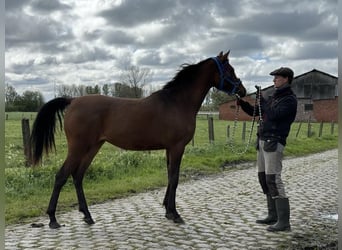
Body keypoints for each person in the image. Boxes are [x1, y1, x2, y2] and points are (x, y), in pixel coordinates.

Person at [237, 67, 297, 232]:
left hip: (274, 142)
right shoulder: (274, 97)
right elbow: (256, 112)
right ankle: (273, 215)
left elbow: (274, 115)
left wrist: (262, 100)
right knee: (263, 178)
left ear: (286, 79)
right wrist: (242, 103)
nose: (274, 80)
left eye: (277, 78)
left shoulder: (290, 100)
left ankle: (284, 222)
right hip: (263, 141)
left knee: (273, 179)